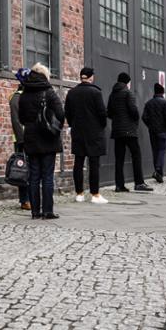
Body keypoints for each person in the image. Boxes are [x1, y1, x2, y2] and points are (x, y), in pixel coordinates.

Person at [18, 63, 65, 219]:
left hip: (31, 138)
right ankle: (47, 211)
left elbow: (21, 118)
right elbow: (60, 114)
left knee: (33, 176)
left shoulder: (24, 93)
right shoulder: (49, 92)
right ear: (45, 75)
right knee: (47, 176)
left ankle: (35, 211)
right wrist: (54, 128)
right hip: (48, 139)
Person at [65, 67, 108, 204]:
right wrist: (101, 126)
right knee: (94, 163)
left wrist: (73, 125)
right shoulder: (96, 92)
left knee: (78, 162)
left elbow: (68, 113)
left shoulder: (71, 93)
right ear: (91, 77)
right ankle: (95, 194)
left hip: (78, 131)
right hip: (94, 132)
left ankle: (79, 194)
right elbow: (102, 113)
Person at [107, 72, 153, 192]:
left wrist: (117, 120)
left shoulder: (112, 94)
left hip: (117, 131)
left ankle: (119, 185)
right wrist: (134, 120)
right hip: (129, 130)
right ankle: (139, 183)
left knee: (119, 158)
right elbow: (134, 111)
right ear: (127, 82)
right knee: (136, 155)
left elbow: (109, 112)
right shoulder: (128, 93)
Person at [9, 68, 31, 211]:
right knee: (22, 170)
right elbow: (16, 122)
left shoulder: (27, 96)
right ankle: (25, 199)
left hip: (31, 138)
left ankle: (31, 197)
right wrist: (22, 140)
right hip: (22, 139)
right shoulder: (17, 97)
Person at [142, 83, 166, 183]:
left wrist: (150, 125)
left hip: (152, 131)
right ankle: (158, 170)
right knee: (162, 151)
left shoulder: (148, 103)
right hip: (162, 131)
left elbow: (144, 117)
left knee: (155, 151)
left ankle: (159, 174)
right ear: (163, 92)